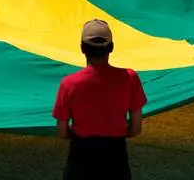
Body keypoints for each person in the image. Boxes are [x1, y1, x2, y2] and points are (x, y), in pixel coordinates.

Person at [53, 20, 146, 180]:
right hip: (115, 159)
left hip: (80, 158)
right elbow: (136, 129)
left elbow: (62, 132)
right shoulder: (130, 78)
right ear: (111, 47)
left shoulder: (69, 83)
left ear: (82, 48)